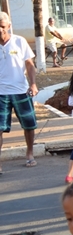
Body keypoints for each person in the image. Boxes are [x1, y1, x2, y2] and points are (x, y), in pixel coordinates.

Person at [0, 11, 39, 172]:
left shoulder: (19, 42)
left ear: (9, 26)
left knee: (29, 125)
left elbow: (29, 64)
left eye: (2, 27)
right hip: (1, 94)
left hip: (21, 91)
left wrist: (33, 84)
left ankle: (30, 153)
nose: (0, 30)